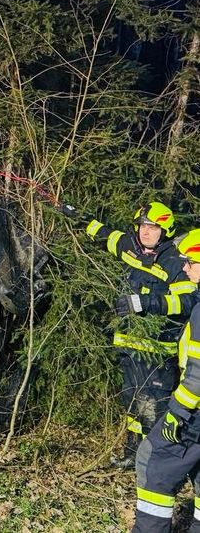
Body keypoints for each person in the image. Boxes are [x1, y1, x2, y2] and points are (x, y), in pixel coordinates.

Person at [84, 202, 196, 464]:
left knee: (154, 407)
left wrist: (146, 304)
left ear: (165, 230)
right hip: (129, 347)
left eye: (152, 227)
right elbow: (105, 235)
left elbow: (187, 304)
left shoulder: (176, 261)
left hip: (158, 352)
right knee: (132, 401)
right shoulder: (131, 249)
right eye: (142, 226)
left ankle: (157, 461)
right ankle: (132, 455)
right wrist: (76, 216)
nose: (145, 232)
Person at [132, 230, 200, 532]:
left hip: (193, 414)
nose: (184, 267)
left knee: (153, 463)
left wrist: (177, 414)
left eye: (191, 262)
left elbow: (198, 375)